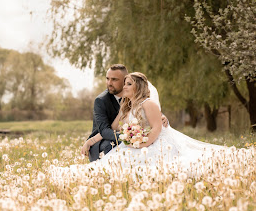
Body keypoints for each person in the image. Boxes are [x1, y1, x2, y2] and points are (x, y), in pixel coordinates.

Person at [83, 72, 228, 173]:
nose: (124, 87)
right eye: (125, 84)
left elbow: (157, 128)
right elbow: (111, 128)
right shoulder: (125, 109)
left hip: (154, 142)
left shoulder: (148, 103)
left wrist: (143, 144)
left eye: (128, 84)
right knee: (112, 165)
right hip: (136, 142)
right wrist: (90, 141)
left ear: (137, 87)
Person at [83, 64, 168, 162]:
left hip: (146, 142)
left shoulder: (147, 103)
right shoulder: (116, 105)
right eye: (107, 79)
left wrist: (140, 141)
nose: (109, 83)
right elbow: (109, 129)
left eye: (114, 79)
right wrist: (90, 141)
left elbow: (155, 123)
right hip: (121, 141)